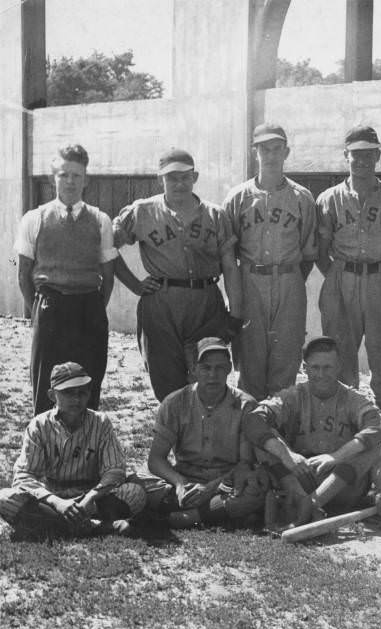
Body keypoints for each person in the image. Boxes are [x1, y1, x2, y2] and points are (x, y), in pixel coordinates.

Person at [113, 148, 243, 401]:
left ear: (195, 177)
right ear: (160, 179)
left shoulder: (215, 215)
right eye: (171, 177)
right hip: (161, 303)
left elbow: (230, 266)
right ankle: (174, 437)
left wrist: (235, 315)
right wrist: (134, 285)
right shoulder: (142, 211)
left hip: (205, 303)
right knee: (166, 382)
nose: (179, 183)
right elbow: (107, 248)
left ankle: (204, 438)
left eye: (184, 177)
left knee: (207, 378)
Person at [315, 126, 381, 446]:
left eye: (367, 153)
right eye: (355, 153)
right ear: (345, 155)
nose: (361, 160)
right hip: (340, 276)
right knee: (341, 366)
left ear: (378, 155)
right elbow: (320, 251)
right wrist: (338, 276)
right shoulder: (329, 198)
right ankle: (346, 443)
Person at [243, 336, 381, 525]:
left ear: (339, 366)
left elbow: (380, 426)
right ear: (304, 369)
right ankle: (299, 499)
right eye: (315, 368)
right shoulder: (293, 396)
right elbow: (253, 421)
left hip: (340, 482)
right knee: (264, 440)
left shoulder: (352, 398)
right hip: (300, 475)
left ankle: (311, 504)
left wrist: (335, 457)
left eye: (328, 367)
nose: (321, 374)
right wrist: (287, 454)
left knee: (372, 447)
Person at [15, 145, 115, 414]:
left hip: (89, 309)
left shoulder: (100, 220)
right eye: (63, 175)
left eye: (76, 175)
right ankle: (47, 447)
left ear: (86, 179)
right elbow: (23, 272)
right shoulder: (34, 218)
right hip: (51, 308)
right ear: (53, 179)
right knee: (47, 382)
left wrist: (93, 305)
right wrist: (38, 307)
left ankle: (84, 448)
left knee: (88, 380)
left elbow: (108, 274)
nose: (70, 181)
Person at [223, 122, 319, 399]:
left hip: (289, 279)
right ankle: (252, 432)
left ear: (286, 152)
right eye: (265, 149)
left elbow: (308, 254)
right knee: (250, 362)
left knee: (285, 360)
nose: (271, 155)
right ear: (255, 152)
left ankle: (278, 432)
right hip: (250, 280)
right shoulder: (238, 197)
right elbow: (229, 253)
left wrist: (288, 276)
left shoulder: (302, 197)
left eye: (277, 148)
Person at [0, 362, 146, 541]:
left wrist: (90, 498)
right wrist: (57, 502)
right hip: (51, 498)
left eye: (82, 393)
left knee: (135, 493)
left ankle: (57, 526)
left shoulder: (100, 422)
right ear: (52, 395)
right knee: (4, 498)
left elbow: (115, 470)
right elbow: (24, 476)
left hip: (91, 499)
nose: (76, 399)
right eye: (68, 393)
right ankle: (96, 526)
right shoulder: (39, 425)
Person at [146, 337, 267, 529]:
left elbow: (245, 464)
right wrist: (179, 484)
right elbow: (156, 459)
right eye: (206, 368)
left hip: (226, 480)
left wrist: (211, 489)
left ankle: (186, 517)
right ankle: (219, 513)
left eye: (220, 368)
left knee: (256, 486)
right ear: (193, 369)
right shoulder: (175, 403)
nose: (213, 375)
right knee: (139, 484)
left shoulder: (246, 405)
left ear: (229, 369)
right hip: (185, 477)